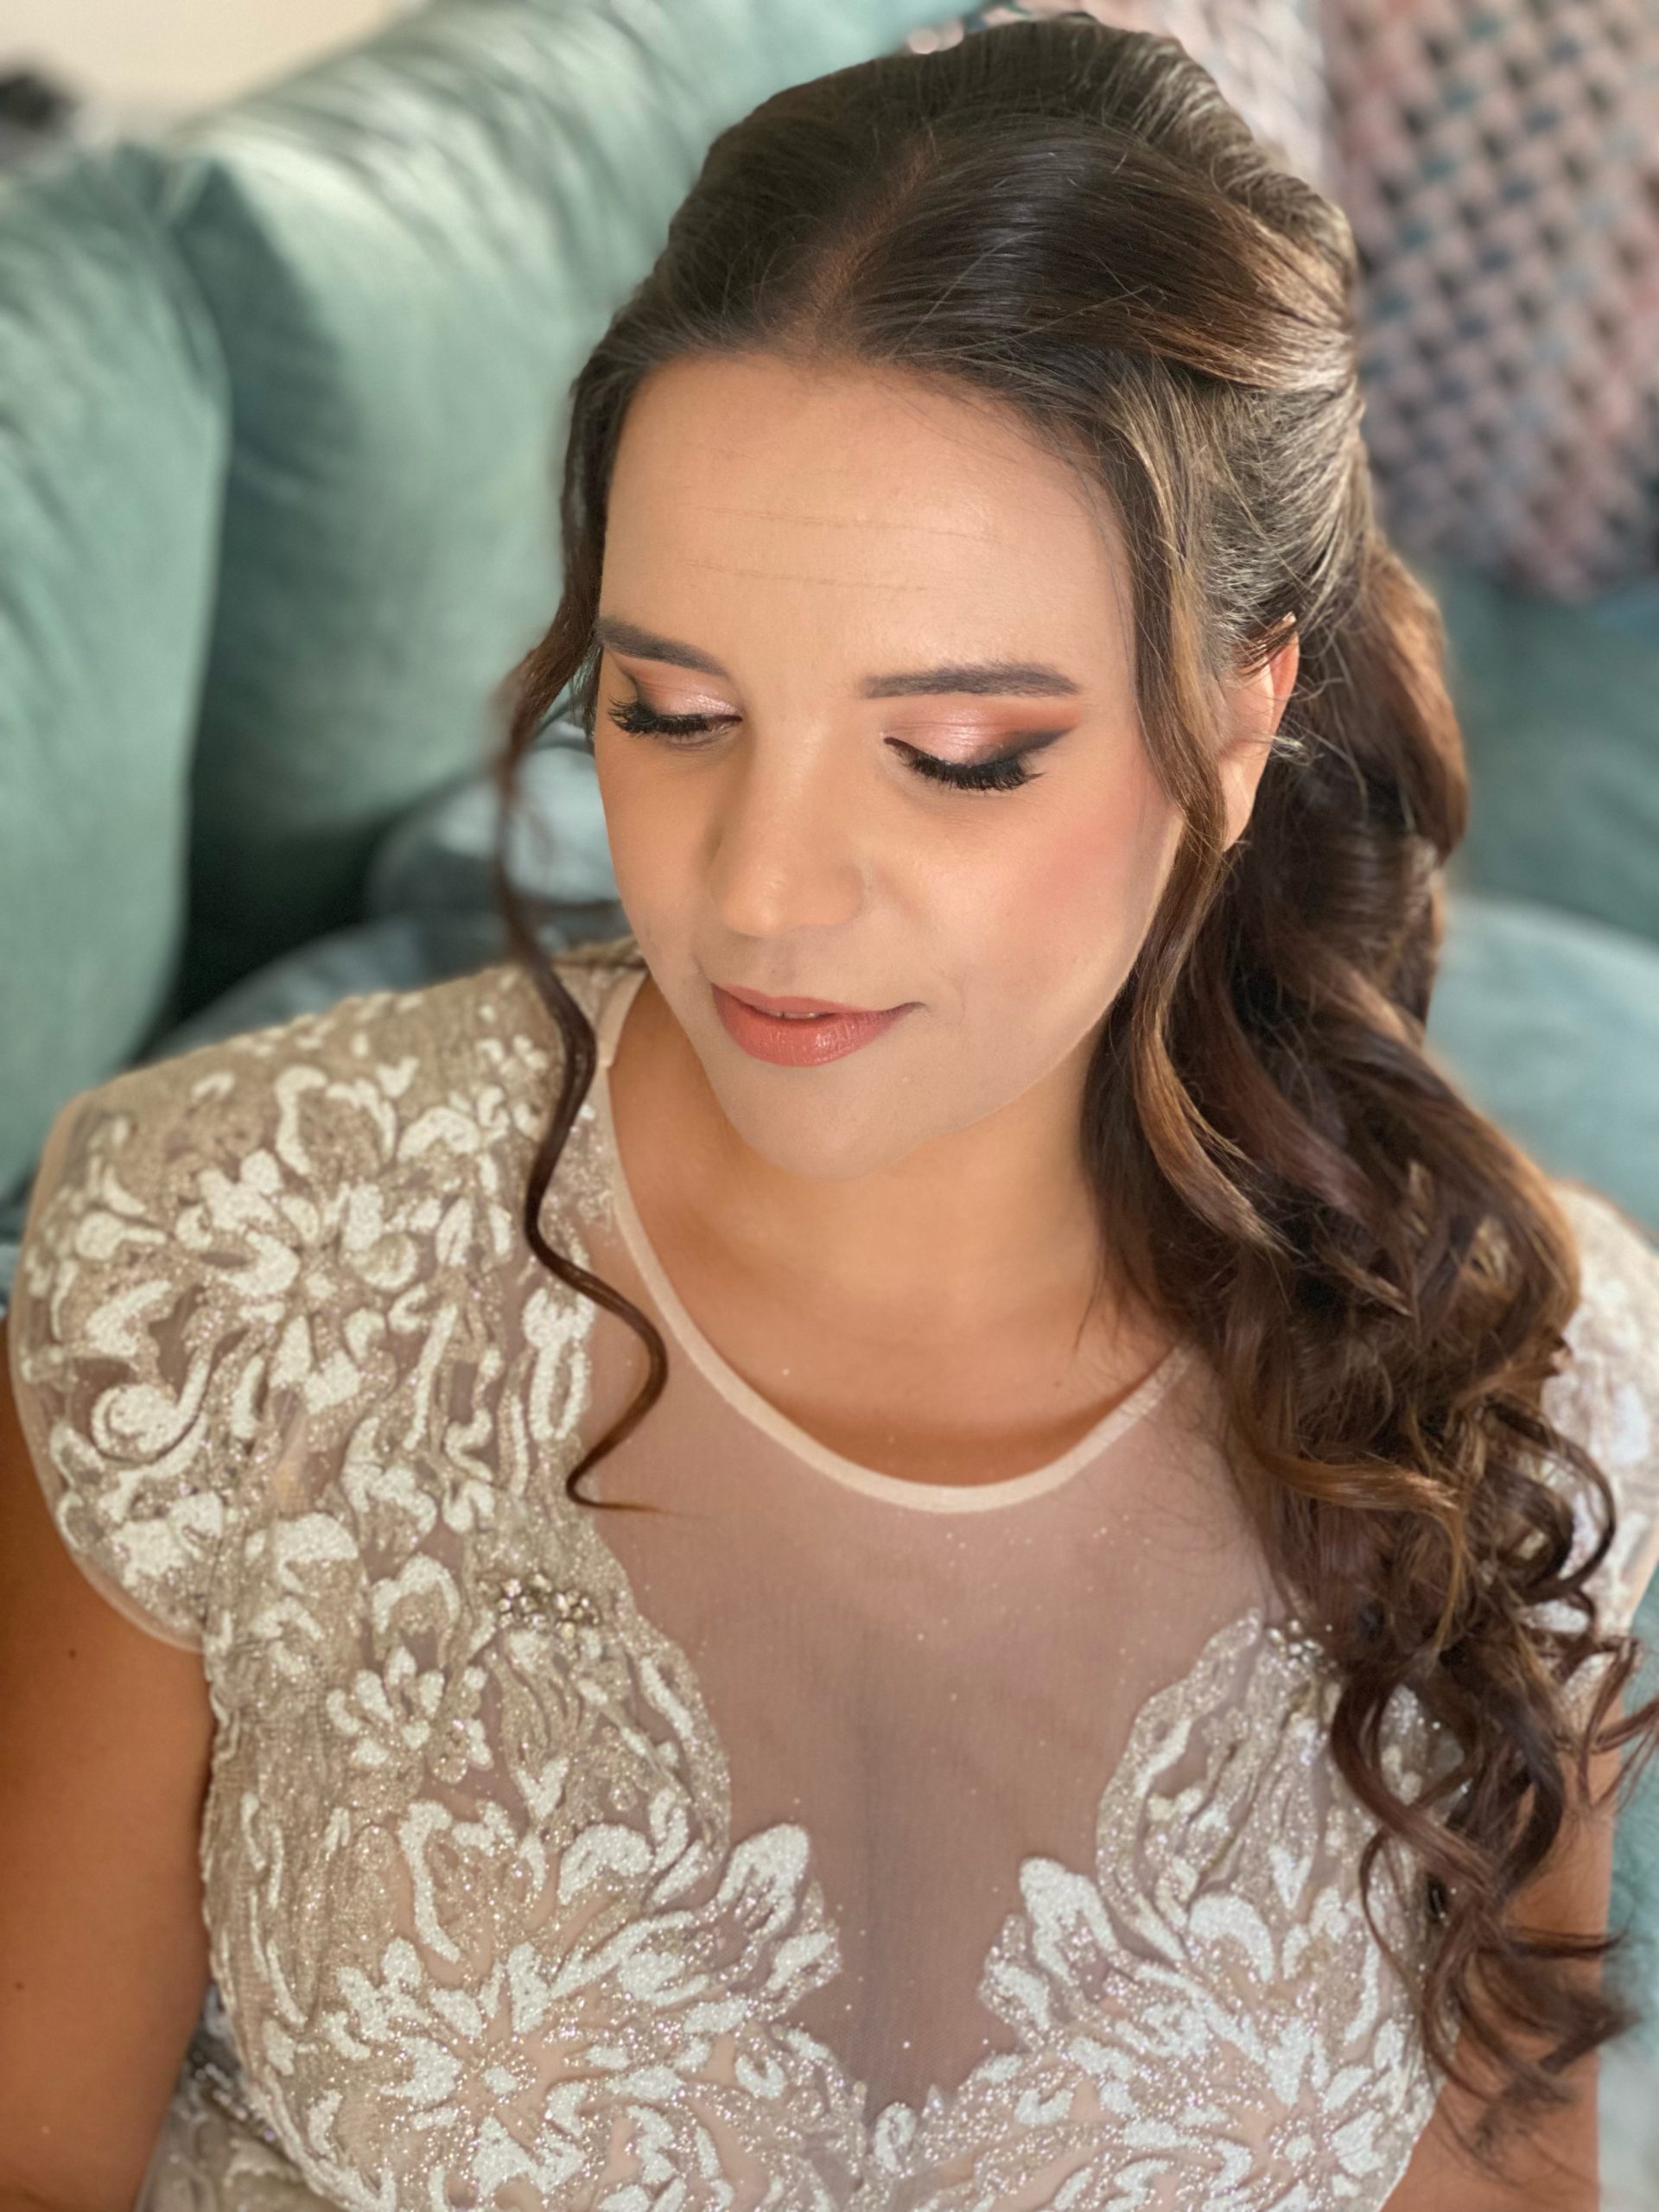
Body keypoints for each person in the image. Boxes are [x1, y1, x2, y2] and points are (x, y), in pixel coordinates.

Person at [4, 16, 1659, 2211]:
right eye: (671, 712)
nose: (761, 890)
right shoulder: (216, 1262)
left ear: (1240, 712)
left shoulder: (1526, 1381)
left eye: (956, 754)